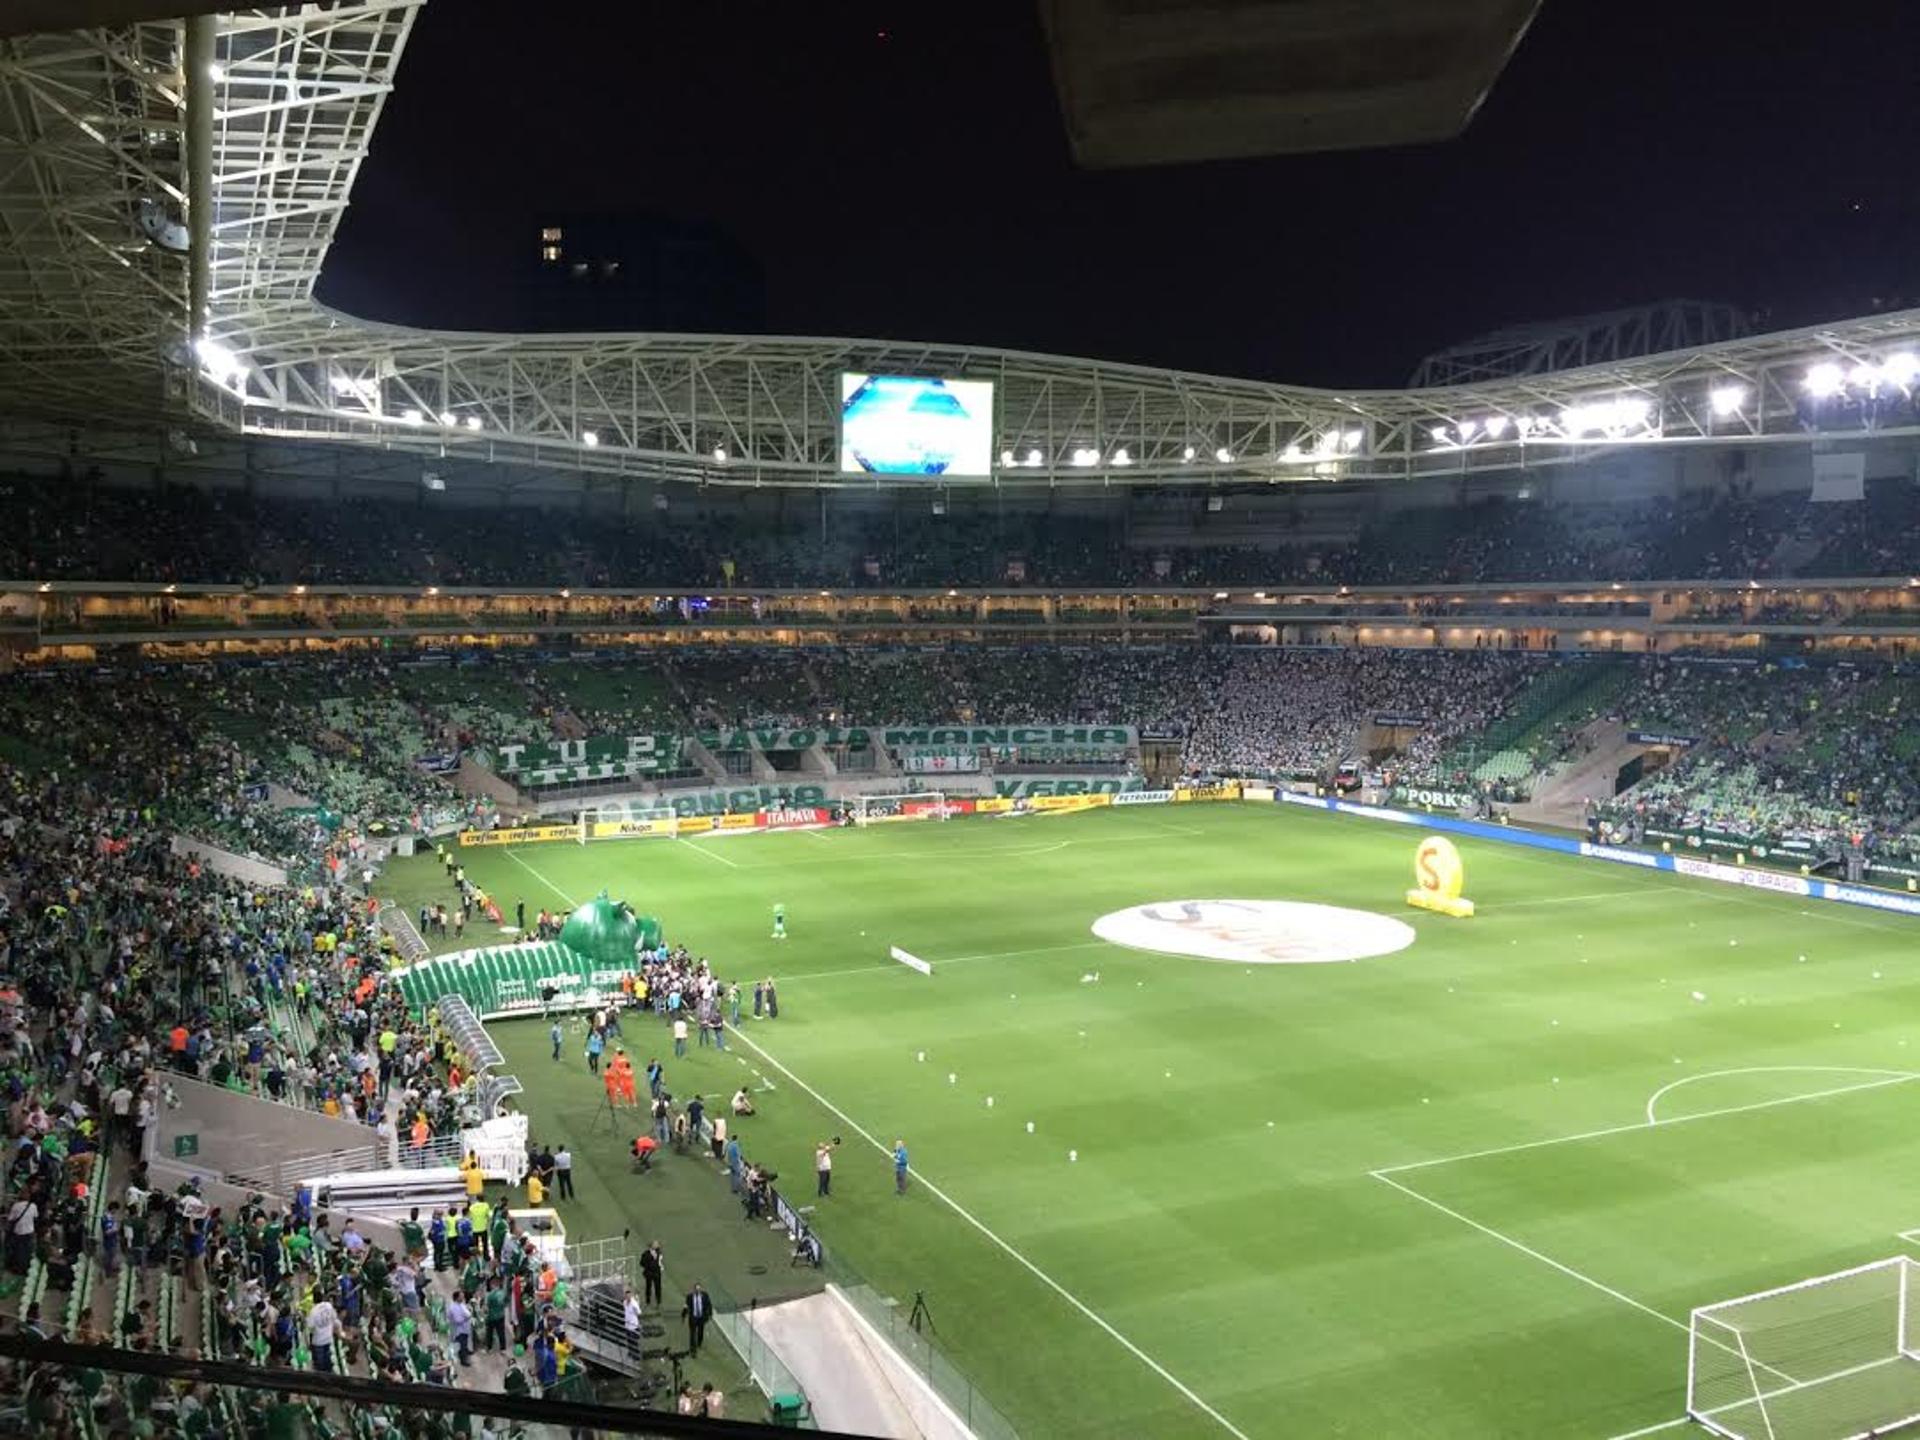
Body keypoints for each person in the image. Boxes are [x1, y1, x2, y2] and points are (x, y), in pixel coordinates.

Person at [307, 1295, 339, 1373]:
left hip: (318, 1340)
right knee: (327, 1360)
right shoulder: (329, 1305)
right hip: (328, 1337)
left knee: (320, 1365)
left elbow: (310, 1326)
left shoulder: (313, 1311)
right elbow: (334, 1317)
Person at [683, 1283, 711, 1354]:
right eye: (696, 1289)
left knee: (700, 1332)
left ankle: (699, 1343)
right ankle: (693, 1349)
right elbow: (686, 1306)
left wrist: (710, 1314)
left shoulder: (704, 1295)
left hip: (701, 1317)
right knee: (692, 1334)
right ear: (694, 1290)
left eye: (699, 1289)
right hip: (693, 1318)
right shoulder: (689, 1297)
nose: (697, 1291)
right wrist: (684, 1315)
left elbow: (709, 1304)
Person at [641, 1240, 664, 1307]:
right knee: (648, 1287)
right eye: (655, 1244)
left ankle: (658, 1302)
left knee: (658, 1287)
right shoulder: (646, 1253)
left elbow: (660, 1262)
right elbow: (642, 1263)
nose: (657, 1245)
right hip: (649, 1273)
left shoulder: (659, 1253)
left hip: (656, 1273)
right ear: (651, 1246)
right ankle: (647, 1301)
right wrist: (648, 1265)